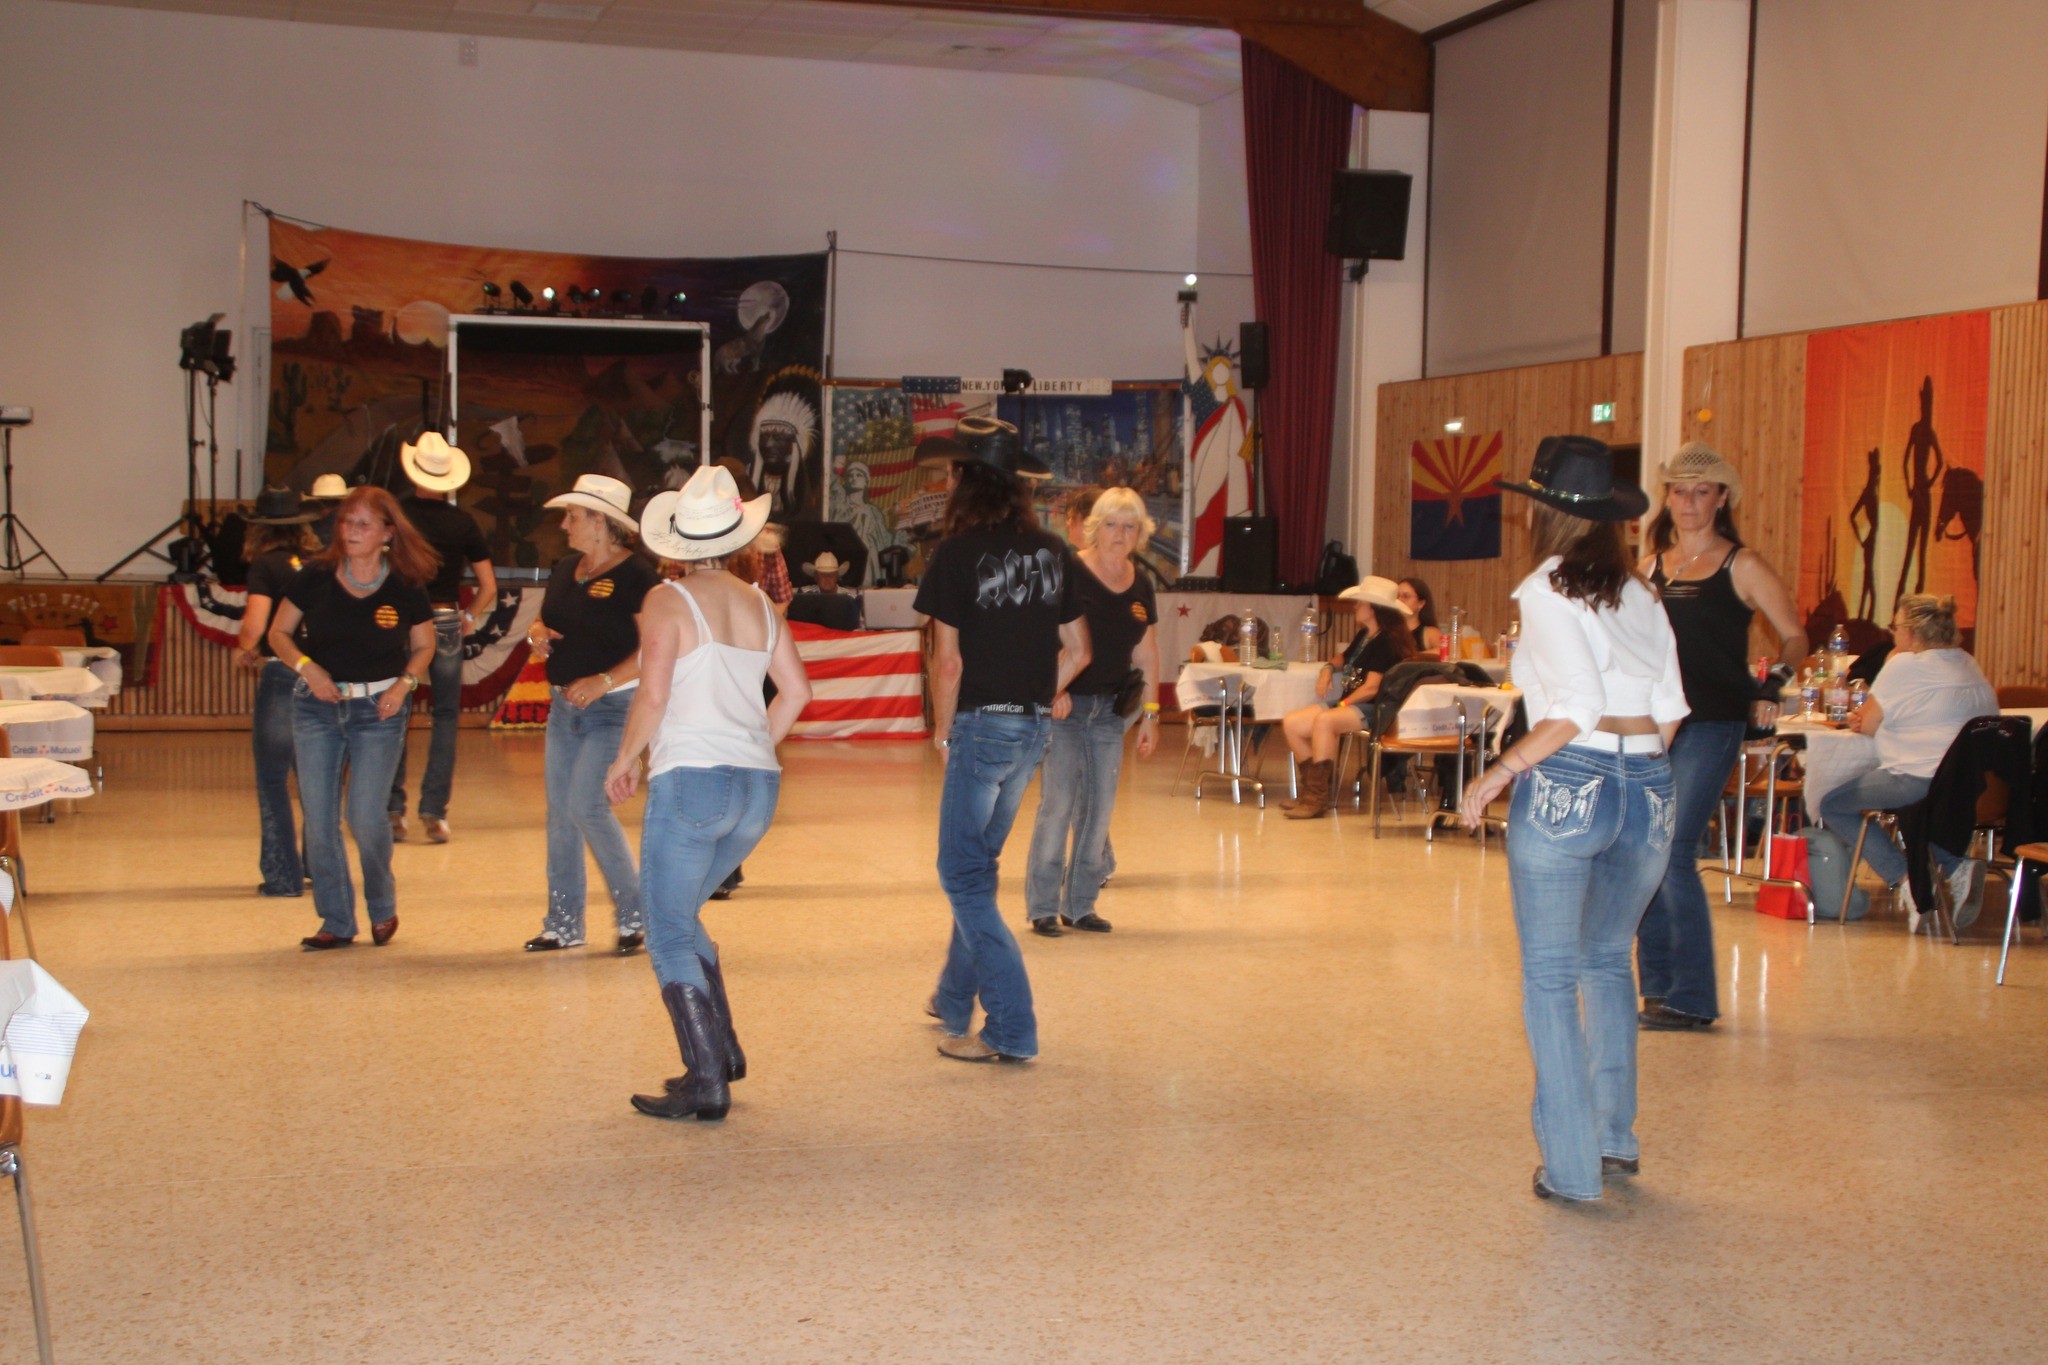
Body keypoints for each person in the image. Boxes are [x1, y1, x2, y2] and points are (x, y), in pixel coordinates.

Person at [1455, 436, 1685, 1203]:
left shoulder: (1547, 588)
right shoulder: (1645, 594)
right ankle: (1614, 1137)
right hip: (1650, 780)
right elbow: (1671, 710)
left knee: (1552, 978)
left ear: (1544, 513)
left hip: (1570, 777)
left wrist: (1499, 771)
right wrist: (1634, 775)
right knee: (1608, 960)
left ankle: (1573, 1167)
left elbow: (1577, 704)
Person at [606, 465, 812, 1121]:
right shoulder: (761, 604)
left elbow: (653, 694)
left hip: (692, 780)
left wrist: (625, 757)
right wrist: (753, 746)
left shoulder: (666, 600)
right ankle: (721, 1052)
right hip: (757, 787)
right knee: (682, 911)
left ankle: (705, 1079)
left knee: (666, 927)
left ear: (676, 542)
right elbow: (798, 693)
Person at [915, 416, 1089, 1063]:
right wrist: (1038, 694)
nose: (947, 478)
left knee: (960, 874)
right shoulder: (1052, 550)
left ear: (965, 478)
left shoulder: (955, 554)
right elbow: (1080, 649)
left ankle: (1011, 1027)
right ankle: (954, 998)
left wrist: (943, 732)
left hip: (982, 727)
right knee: (979, 866)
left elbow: (948, 662)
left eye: (951, 471)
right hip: (1031, 731)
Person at [1635, 443, 1808, 1032]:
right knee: (1650, 850)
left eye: (1701, 492)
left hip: (1712, 721)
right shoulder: (1650, 567)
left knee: (1675, 849)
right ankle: (1658, 988)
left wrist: (1773, 684)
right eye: (1679, 491)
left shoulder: (1743, 565)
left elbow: (1794, 636)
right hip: (1657, 722)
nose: (1688, 502)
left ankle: (1692, 998)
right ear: (1668, 499)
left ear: (1721, 498)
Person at [267, 487, 439, 951]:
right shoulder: (315, 576)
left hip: (379, 710)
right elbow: (278, 633)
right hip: (316, 707)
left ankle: (382, 906)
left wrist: (403, 685)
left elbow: (425, 645)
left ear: (388, 532)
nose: (351, 531)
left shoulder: (405, 583)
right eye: (346, 522)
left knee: (364, 816)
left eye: (363, 524)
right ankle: (337, 919)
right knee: (320, 819)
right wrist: (307, 667)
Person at [522, 475, 657, 955]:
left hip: (613, 708)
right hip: (564, 708)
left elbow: (655, 649)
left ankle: (636, 913)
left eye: (573, 516)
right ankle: (563, 924)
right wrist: (537, 633)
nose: (565, 525)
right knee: (560, 813)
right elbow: (548, 620)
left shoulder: (639, 576)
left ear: (600, 522)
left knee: (586, 805)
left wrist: (604, 681)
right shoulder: (565, 569)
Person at [1023, 487, 1158, 936]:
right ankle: (1043, 907)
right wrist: (1054, 686)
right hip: (1066, 708)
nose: (1120, 534)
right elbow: (1036, 635)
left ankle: (1080, 905)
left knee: (1098, 811)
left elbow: (1147, 654)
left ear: (1140, 533)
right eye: (1112, 524)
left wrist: (1152, 715)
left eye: (1130, 526)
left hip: (1111, 713)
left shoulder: (1141, 583)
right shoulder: (1069, 572)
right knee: (1058, 806)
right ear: (1097, 527)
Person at [1819, 594, 1996, 927]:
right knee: (1914, 810)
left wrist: (1863, 719)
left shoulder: (1902, 665)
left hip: (1918, 779)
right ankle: (1956, 866)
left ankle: (1906, 878)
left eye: (1895, 626)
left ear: (1911, 633)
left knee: (1833, 805)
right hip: (1971, 786)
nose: (1893, 633)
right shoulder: (1968, 661)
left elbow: (1869, 725)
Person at [387, 431, 497, 845]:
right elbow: (488, 585)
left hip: (401, 621)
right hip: (447, 619)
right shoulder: (462, 522)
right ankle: (434, 813)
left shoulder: (396, 516)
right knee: (446, 716)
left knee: (395, 708)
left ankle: (393, 810)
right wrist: (467, 616)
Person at [234, 485, 321, 898]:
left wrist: (244, 647)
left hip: (284, 673)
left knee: (273, 778)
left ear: (259, 528)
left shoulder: (266, 565)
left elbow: (256, 623)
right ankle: (320, 868)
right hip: (322, 675)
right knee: (316, 779)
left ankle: (283, 876)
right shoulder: (321, 563)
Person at [1276, 576, 1416, 821]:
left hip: (1375, 707)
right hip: (1353, 703)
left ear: (1374, 609)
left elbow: (1372, 688)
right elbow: (1342, 658)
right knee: (1292, 723)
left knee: (1325, 721)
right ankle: (1311, 790)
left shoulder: (1387, 642)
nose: (1355, 606)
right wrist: (1328, 669)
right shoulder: (1366, 636)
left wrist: (1342, 704)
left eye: (1361, 602)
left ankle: (1317, 798)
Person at [1398, 577, 1443, 655]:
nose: (1400, 601)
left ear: (1420, 603)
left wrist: (1412, 657)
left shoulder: (1430, 633)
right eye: (1397, 596)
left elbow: (1443, 651)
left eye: (1406, 596)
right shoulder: (1387, 632)